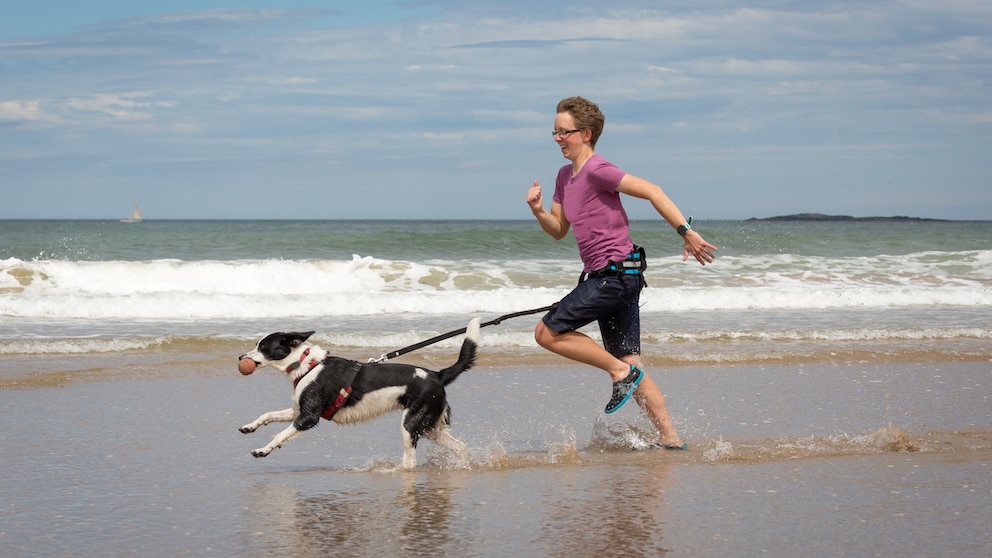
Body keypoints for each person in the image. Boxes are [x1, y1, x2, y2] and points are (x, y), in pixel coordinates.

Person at [525, 96, 717, 450]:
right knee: (630, 362)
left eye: (563, 132)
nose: (556, 138)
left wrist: (685, 231)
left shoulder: (599, 170)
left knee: (546, 332)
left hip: (614, 277)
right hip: (615, 277)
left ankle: (620, 374)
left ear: (585, 133)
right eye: (554, 131)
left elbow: (652, 191)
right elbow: (558, 229)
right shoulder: (564, 177)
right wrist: (538, 210)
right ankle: (672, 440)